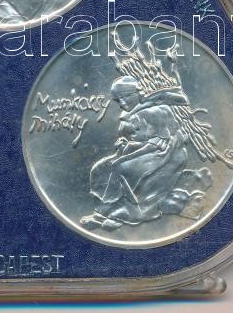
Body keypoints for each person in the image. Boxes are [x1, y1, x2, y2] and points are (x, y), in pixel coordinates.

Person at [81, 76, 213, 231]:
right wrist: (125, 145)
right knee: (101, 168)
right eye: (118, 100)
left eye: (124, 97)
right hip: (146, 151)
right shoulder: (132, 113)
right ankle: (107, 211)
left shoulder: (155, 112)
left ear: (136, 93)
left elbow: (155, 144)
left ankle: (109, 214)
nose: (121, 103)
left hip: (166, 155)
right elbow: (138, 140)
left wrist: (124, 157)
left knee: (122, 168)